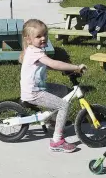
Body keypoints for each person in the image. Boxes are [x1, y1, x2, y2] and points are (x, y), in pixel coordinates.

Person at [19, 19, 87, 153]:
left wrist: (65, 69)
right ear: (28, 39)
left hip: (39, 86)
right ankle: (57, 141)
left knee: (63, 90)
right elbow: (53, 63)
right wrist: (76, 67)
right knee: (64, 105)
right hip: (34, 92)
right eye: (38, 36)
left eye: (45, 35)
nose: (43, 38)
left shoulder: (33, 49)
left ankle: (52, 121)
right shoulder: (35, 52)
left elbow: (48, 65)